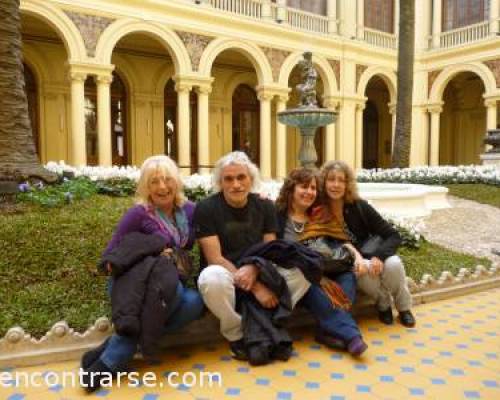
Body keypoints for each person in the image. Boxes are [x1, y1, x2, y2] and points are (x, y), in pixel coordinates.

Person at [80, 155, 205, 392]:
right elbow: (110, 256)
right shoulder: (138, 214)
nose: (162, 187)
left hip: (169, 285)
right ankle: (108, 363)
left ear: (177, 182)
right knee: (170, 292)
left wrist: (256, 199)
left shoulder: (190, 211)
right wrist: (152, 253)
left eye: (167, 179)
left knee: (195, 302)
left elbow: (217, 213)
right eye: (154, 181)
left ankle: (119, 341)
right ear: (145, 186)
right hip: (134, 284)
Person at [194, 151, 312, 364]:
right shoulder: (206, 208)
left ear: (251, 179)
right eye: (228, 179)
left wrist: (255, 270)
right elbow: (215, 258)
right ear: (220, 182)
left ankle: (269, 320)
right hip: (227, 274)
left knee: (304, 269)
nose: (236, 184)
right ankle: (236, 334)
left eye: (241, 177)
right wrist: (256, 287)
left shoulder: (265, 206)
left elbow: (270, 249)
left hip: (259, 268)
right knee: (211, 278)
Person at [275, 167, 368, 357]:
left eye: (313, 188)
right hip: (304, 275)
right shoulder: (278, 216)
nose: (309, 192)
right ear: (291, 189)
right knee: (311, 285)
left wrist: (357, 256)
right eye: (304, 187)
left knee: (348, 276)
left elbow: (340, 242)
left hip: (331, 268)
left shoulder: (320, 214)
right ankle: (351, 336)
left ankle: (326, 330)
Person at [319, 160, 416, 327]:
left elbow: (393, 235)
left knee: (394, 263)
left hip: (374, 253)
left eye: (341, 180)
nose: (336, 185)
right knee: (361, 270)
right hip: (349, 261)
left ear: (347, 184)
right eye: (331, 179)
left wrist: (379, 256)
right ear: (323, 182)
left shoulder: (359, 206)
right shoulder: (320, 211)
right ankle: (383, 304)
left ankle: (404, 308)